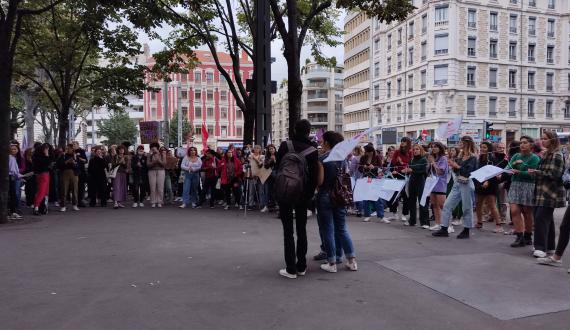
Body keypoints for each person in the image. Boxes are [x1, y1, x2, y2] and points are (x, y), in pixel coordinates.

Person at [276, 119, 318, 279]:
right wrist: (308, 196)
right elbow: (313, 178)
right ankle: (301, 266)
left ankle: (290, 268)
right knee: (302, 230)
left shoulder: (285, 146)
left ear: (294, 129)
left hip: (285, 192)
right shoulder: (313, 150)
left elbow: (278, 168)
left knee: (288, 231)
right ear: (308, 132)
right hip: (303, 194)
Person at [316, 131, 357, 273]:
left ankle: (332, 262)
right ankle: (352, 261)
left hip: (325, 195)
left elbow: (320, 182)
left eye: (322, 141)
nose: (321, 143)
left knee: (327, 228)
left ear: (327, 143)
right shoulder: (343, 159)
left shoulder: (322, 159)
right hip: (340, 196)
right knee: (342, 228)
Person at [433, 136, 478, 239]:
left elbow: (469, 172)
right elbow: (456, 171)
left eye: (461, 141)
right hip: (457, 182)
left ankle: (466, 230)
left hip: (466, 183)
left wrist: (456, 166)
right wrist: (453, 166)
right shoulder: (460, 156)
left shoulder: (473, 158)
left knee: (467, 207)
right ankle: (444, 228)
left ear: (467, 143)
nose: (459, 143)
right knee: (447, 205)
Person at [530, 131, 566, 258]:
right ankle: (550, 246)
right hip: (542, 191)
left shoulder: (557, 155)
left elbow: (555, 175)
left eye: (545, 139)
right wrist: (536, 172)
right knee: (547, 220)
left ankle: (540, 248)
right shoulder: (546, 154)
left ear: (553, 140)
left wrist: (537, 172)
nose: (542, 141)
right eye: (541, 138)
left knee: (541, 218)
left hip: (551, 192)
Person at [506, 136, 540, 247]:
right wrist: (514, 164)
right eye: (521, 143)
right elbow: (507, 168)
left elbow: (533, 175)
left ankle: (528, 236)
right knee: (515, 211)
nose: (522, 145)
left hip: (528, 186)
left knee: (527, 212)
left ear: (531, 145)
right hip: (515, 185)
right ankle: (519, 236)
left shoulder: (534, 158)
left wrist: (519, 171)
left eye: (525, 142)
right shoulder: (516, 156)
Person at [474, 142, 503, 233]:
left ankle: (499, 225)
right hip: (480, 183)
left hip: (491, 184)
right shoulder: (479, 159)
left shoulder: (492, 159)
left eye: (484, 147)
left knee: (492, 205)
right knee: (479, 204)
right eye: (481, 147)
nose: (482, 149)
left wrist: (488, 181)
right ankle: (479, 222)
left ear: (489, 149)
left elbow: (494, 172)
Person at [358, 144, 386, 223]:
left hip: (375, 179)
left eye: (367, 152)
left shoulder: (377, 157)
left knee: (377, 198)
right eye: (365, 152)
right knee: (366, 198)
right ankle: (367, 215)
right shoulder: (363, 158)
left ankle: (381, 216)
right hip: (366, 179)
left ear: (371, 152)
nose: (366, 153)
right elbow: (359, 168)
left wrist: (374, 167)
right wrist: (364, 167)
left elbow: (381, 168)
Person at [388, 137, 413, 222]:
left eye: (404, 141)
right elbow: (393, 163)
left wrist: (402, 163)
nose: (402, 143)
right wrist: (394, 170)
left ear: (408, 143)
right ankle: (394, 214)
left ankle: (404, 214)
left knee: (406, 196)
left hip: (406, 177)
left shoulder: (410, 152)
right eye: (402, 141)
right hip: (397, 176)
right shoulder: (397, 152)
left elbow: (411, 164)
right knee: (394, 195)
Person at [404, 144, 429, 228]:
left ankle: (425, 222)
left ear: (421, 150)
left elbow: (423, 172)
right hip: (412, 181)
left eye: (417, 149)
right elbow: (411, 170)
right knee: (411, 201)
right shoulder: (411, 160)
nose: (415, 151)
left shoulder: (424, 159)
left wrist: (412, 170)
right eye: (414, 149)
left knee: (422, 202)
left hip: (421, 181)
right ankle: (412, 220)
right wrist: (407, 170)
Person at [428, 142, 448, 231]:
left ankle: (447, 224)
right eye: (432, 147)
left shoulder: (443, 158)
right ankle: (437, 223)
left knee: (442, 205)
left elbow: (440, 172)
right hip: (433, 184)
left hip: (440, 184)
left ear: (440, 148)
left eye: (435, 147)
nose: (433, 148)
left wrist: (433, 163)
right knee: (434, 205)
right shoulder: (434, 158)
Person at [57, 144, 81, 212]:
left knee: (75, 189)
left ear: (72, 149)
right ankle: (63, 205)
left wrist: (74, 163)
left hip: (74, 173)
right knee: (64, 189)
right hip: (65, 173)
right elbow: (59, 165)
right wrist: (67, 162)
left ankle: (75, 205)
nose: (68, 150)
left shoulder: (76, 156)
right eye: (67, 148)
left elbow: (79, 166)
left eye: (69, 148)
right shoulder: (63, 155)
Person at [32, 143, 52, 216]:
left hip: (42, 174)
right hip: (44, 174)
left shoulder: (36, 156)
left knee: (44, 192)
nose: (47, 150)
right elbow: (47, 162)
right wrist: (47, 154)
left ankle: (42, 207)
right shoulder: (41, 157)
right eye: (46, 149)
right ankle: (36, 207)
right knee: (42, 192)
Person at [147, 143, 166, 208]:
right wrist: (154, 162)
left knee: (160, 187)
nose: (153, 149)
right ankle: (153, 201)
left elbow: (164, 164)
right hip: (151, 171)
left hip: (161, 171)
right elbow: (148, 165)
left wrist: (158, 160)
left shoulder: (162, 154)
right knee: (152, 187)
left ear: (157, 148)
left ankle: (160, 201)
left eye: (154, 147)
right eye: (152, 147)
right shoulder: (149, 155)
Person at [247, 145, 265, 210]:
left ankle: (262, 204)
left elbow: (261, 164)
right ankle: (250, 204)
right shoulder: (250, 156)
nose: (256, 149)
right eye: (255, 148)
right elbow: (249, 164)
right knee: (251, 191)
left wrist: (254, 158)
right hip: (252, 175)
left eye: (258, 148)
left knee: (261, 191)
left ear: (260, 150)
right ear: (253, 149)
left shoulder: (262, 156)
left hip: (260, 175)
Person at [349, 146, 364, 217]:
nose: (353, 152)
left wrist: (350, 175)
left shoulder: (355, 159)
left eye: (353, 151)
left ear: (356, 151)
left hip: (357, 178)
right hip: (363, 178)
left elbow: (351, 169)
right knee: (362, 194)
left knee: (357, 195)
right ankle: (361, 210)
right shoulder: (364, 158)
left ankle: (359, 211)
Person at [8, 146, 23, 220]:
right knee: (13, 194)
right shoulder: (11, 158)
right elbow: (13, 170)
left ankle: (11, 211)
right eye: (12, 149)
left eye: (15, 149)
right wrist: (19, 175)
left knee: (11, 194)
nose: (14, 150)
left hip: (11, 177)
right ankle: (12, 212)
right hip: (11, 177)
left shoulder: (11, 158)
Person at [263, 144, 278, 212]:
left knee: (277, 190)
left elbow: (280, 164)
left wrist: (274, 160)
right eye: (270, 149)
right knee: (269, 191)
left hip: (277, 175)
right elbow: (266, 166)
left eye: (272, 148)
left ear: (275, 149)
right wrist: (270, 160)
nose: (271, 150)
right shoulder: (267, 157)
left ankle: (277, 205)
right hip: (269, 176)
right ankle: (270, 205)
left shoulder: (278, 155)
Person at [72, 141, 88, 207]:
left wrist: (78, 158)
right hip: (73, 171)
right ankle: (75, 201)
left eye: (75, 144)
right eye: (73, 145)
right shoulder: (71, 152)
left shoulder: (81, 151)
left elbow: (85, 160)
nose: (73, 146)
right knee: (75, 187)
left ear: (78, 145)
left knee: (81, 186)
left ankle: (81, 200)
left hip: (81, 171)